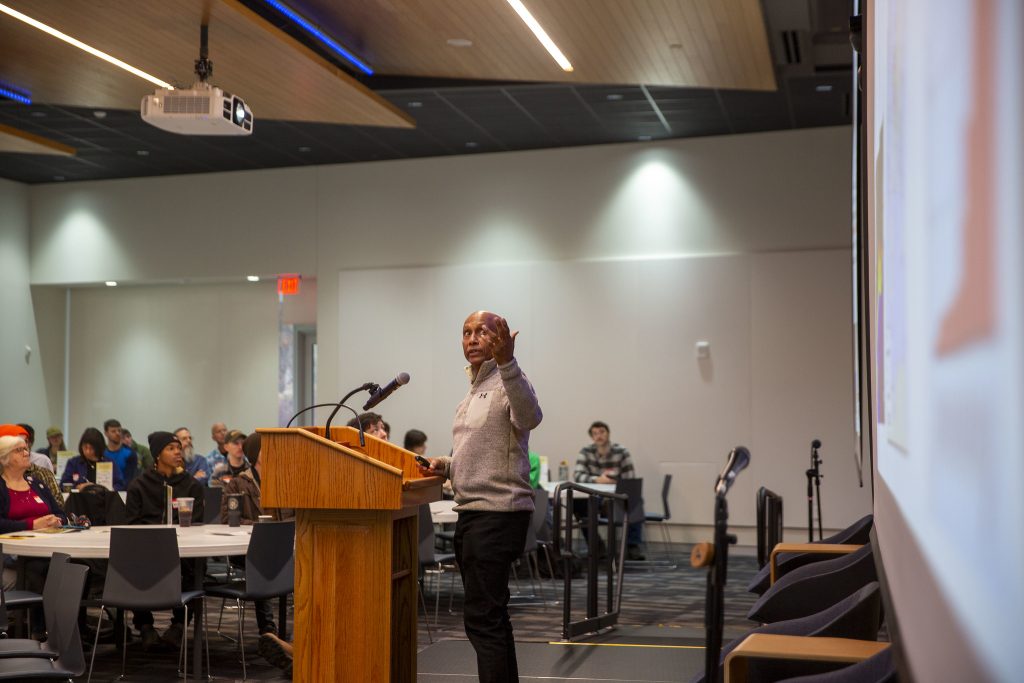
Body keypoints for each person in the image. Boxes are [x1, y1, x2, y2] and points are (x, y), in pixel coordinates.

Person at [419, 310, 542, 683]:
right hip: (475, 514)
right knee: (491, 618)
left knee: (482, 621)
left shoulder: (508, 380)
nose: (471, 339)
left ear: (499, 338)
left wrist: (508, 362)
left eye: (482, 332)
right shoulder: (474, 388)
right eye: (466, 332)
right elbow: (478, 451)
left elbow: (530, 416)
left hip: (497, 514)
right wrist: (446, 464)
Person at [125, 431, 205, 649]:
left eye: (178, 447)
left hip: (181, 551)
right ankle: (145, 627)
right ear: (157, 455)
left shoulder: (191, 486)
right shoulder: (139, 486)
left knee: (196, 566)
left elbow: (197, 524)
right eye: (170, 448)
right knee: (129, 566)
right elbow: (130, 525)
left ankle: (179, 626)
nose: (177, 452)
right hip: (145, 551)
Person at [0, 435, 66, 637]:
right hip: (13, 553)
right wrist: (31, 525)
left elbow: (59, 512)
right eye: (19, 450)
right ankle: (42, 631)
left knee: (78, 565)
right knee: (42, 568)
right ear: (5, 458)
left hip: (48, 546)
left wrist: (57, 520)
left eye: (26, 448)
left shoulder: (36, 483)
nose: (27, 453)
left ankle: (73, 629)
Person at [218, 432, 277, 637]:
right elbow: (228, 519)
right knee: (261, 560)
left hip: (280, 548)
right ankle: (267, 630)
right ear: (254, 453)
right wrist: (261, 525)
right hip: (247, 550)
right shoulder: (238, 483)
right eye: (266, 448)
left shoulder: (283, 481)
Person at [573, 421, 644, 560]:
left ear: (608, 433)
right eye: (595, 433)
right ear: (592, 437)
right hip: (595, 496)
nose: (599, 436)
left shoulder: (621, 451)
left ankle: (632, 545)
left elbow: (630, 478)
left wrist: (616, 481)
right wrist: (597, 479)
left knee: (635, 498)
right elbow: (577, 475)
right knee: (577, 504)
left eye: (602, 432)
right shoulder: (585, 452)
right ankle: (596, 546)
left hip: (616, 495)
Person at [60, 427, 126, 492]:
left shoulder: (109, 463)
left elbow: (120, 484)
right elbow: (64, 484)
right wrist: (78, 486)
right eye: (85, 447)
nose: (88, 451)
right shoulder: (73, 463)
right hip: (79, 499)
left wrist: (103, 488)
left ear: (98, 447)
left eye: (91, 448)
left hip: (103, 499)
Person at [103, 419, 138, 484]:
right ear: (106, 433)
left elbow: (131, 478)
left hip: (124, 491)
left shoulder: (130, 453)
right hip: (104, 490)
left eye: (119, 431)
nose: (118, 433)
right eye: (113, 431)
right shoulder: (101, 453)